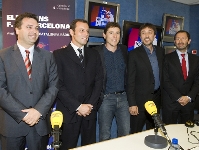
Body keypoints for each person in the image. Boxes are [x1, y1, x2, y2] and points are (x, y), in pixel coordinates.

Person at [0, 12, 59, 150]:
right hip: (12, 125)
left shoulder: (47, 57)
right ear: (17, 29)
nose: (34, 31)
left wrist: (38, 111)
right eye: (29, 27)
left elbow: (54, 86)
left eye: (37, 28)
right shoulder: (3, 56)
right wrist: (23, 114)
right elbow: (1, 90)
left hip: (39, 124)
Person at [53, 19, 103, 150]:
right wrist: (78, 106)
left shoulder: (94, 54)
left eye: (87, 31)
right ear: (71, 32)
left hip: (89, 112)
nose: (86, 34)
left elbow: (99, 81)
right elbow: (58, 84)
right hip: (69, 113)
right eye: (82, 30)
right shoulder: (59, 55)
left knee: (90, 146)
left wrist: (90, 105)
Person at [93, 22, 130, 141]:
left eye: (117, 33)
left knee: (125, 133)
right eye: (111, 33)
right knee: (104, 135)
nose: (115, 36)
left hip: (124, 98)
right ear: (104, 35)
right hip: (105, 99)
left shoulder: (124, 50)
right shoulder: (96, 52)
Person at [127, 23, 165, 134]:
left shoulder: (161, 52)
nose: (146, 35)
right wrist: (132, 103)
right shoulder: (133, 54)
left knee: (153, 130)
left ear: (154, 35)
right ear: (140, 36)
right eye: (143, 33)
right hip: (139, 102)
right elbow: (130, 80)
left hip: (157, 99)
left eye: (149, 32)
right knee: (135, 131)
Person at [162, 30, 199, 124]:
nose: (180, 41)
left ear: (189, 41)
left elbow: (197, 81)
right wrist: (178, 97)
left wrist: (189, 97)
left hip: (188, 104)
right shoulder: (166, 58)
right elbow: (165, 81)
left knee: (186, 133)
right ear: (174, 42)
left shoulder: (196, 60)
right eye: (177, 39)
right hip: (171, 103)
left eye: (183, 38)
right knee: (169, 133)